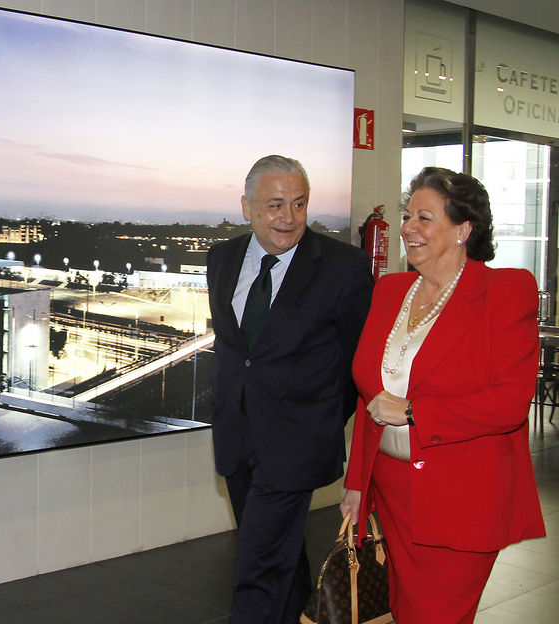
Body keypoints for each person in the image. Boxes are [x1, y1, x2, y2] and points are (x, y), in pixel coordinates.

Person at [340, 167, 546, 624]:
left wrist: (412, 410)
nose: (409, 228)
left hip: (463, 498)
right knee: (407, 611)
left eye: (425, 217)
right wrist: (358, 482)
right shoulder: (391, 291)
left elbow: (509, 403)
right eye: (408, 215)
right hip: (391, 495)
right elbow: (370, 398)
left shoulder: (505, 291)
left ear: (463, 230)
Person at [206, 155, 373, 623]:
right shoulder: (221, 259)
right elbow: (237, 352)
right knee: (282, 557)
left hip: (297, 442)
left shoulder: (344, 267)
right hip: (237, 437)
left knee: (257, 566)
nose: (290, 218)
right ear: (247, 206)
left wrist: (316, 420)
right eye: (276, 205)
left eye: (299, 204)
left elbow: (355, 363)